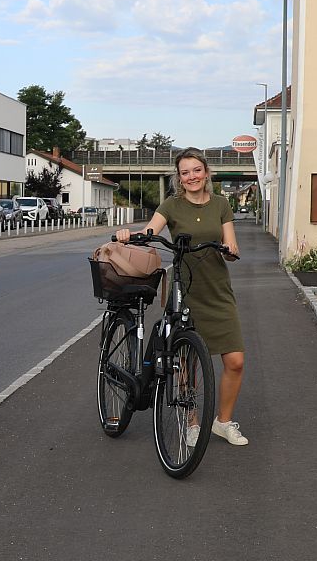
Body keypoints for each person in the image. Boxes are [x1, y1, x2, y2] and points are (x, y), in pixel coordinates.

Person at [115, 147, 248, 446]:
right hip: (184, 288)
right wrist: (130, 235)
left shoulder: (221, 204)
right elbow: (151, 230)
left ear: (206, 172)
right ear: (179, 177)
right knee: (186, 361)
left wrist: (231, 251)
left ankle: (223, 422)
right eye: (185, 172)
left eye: (196, 170)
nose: (191, 177)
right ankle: (191, 422)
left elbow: (232, 247)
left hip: (217, 290)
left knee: (236, 361)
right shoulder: (172, 205)